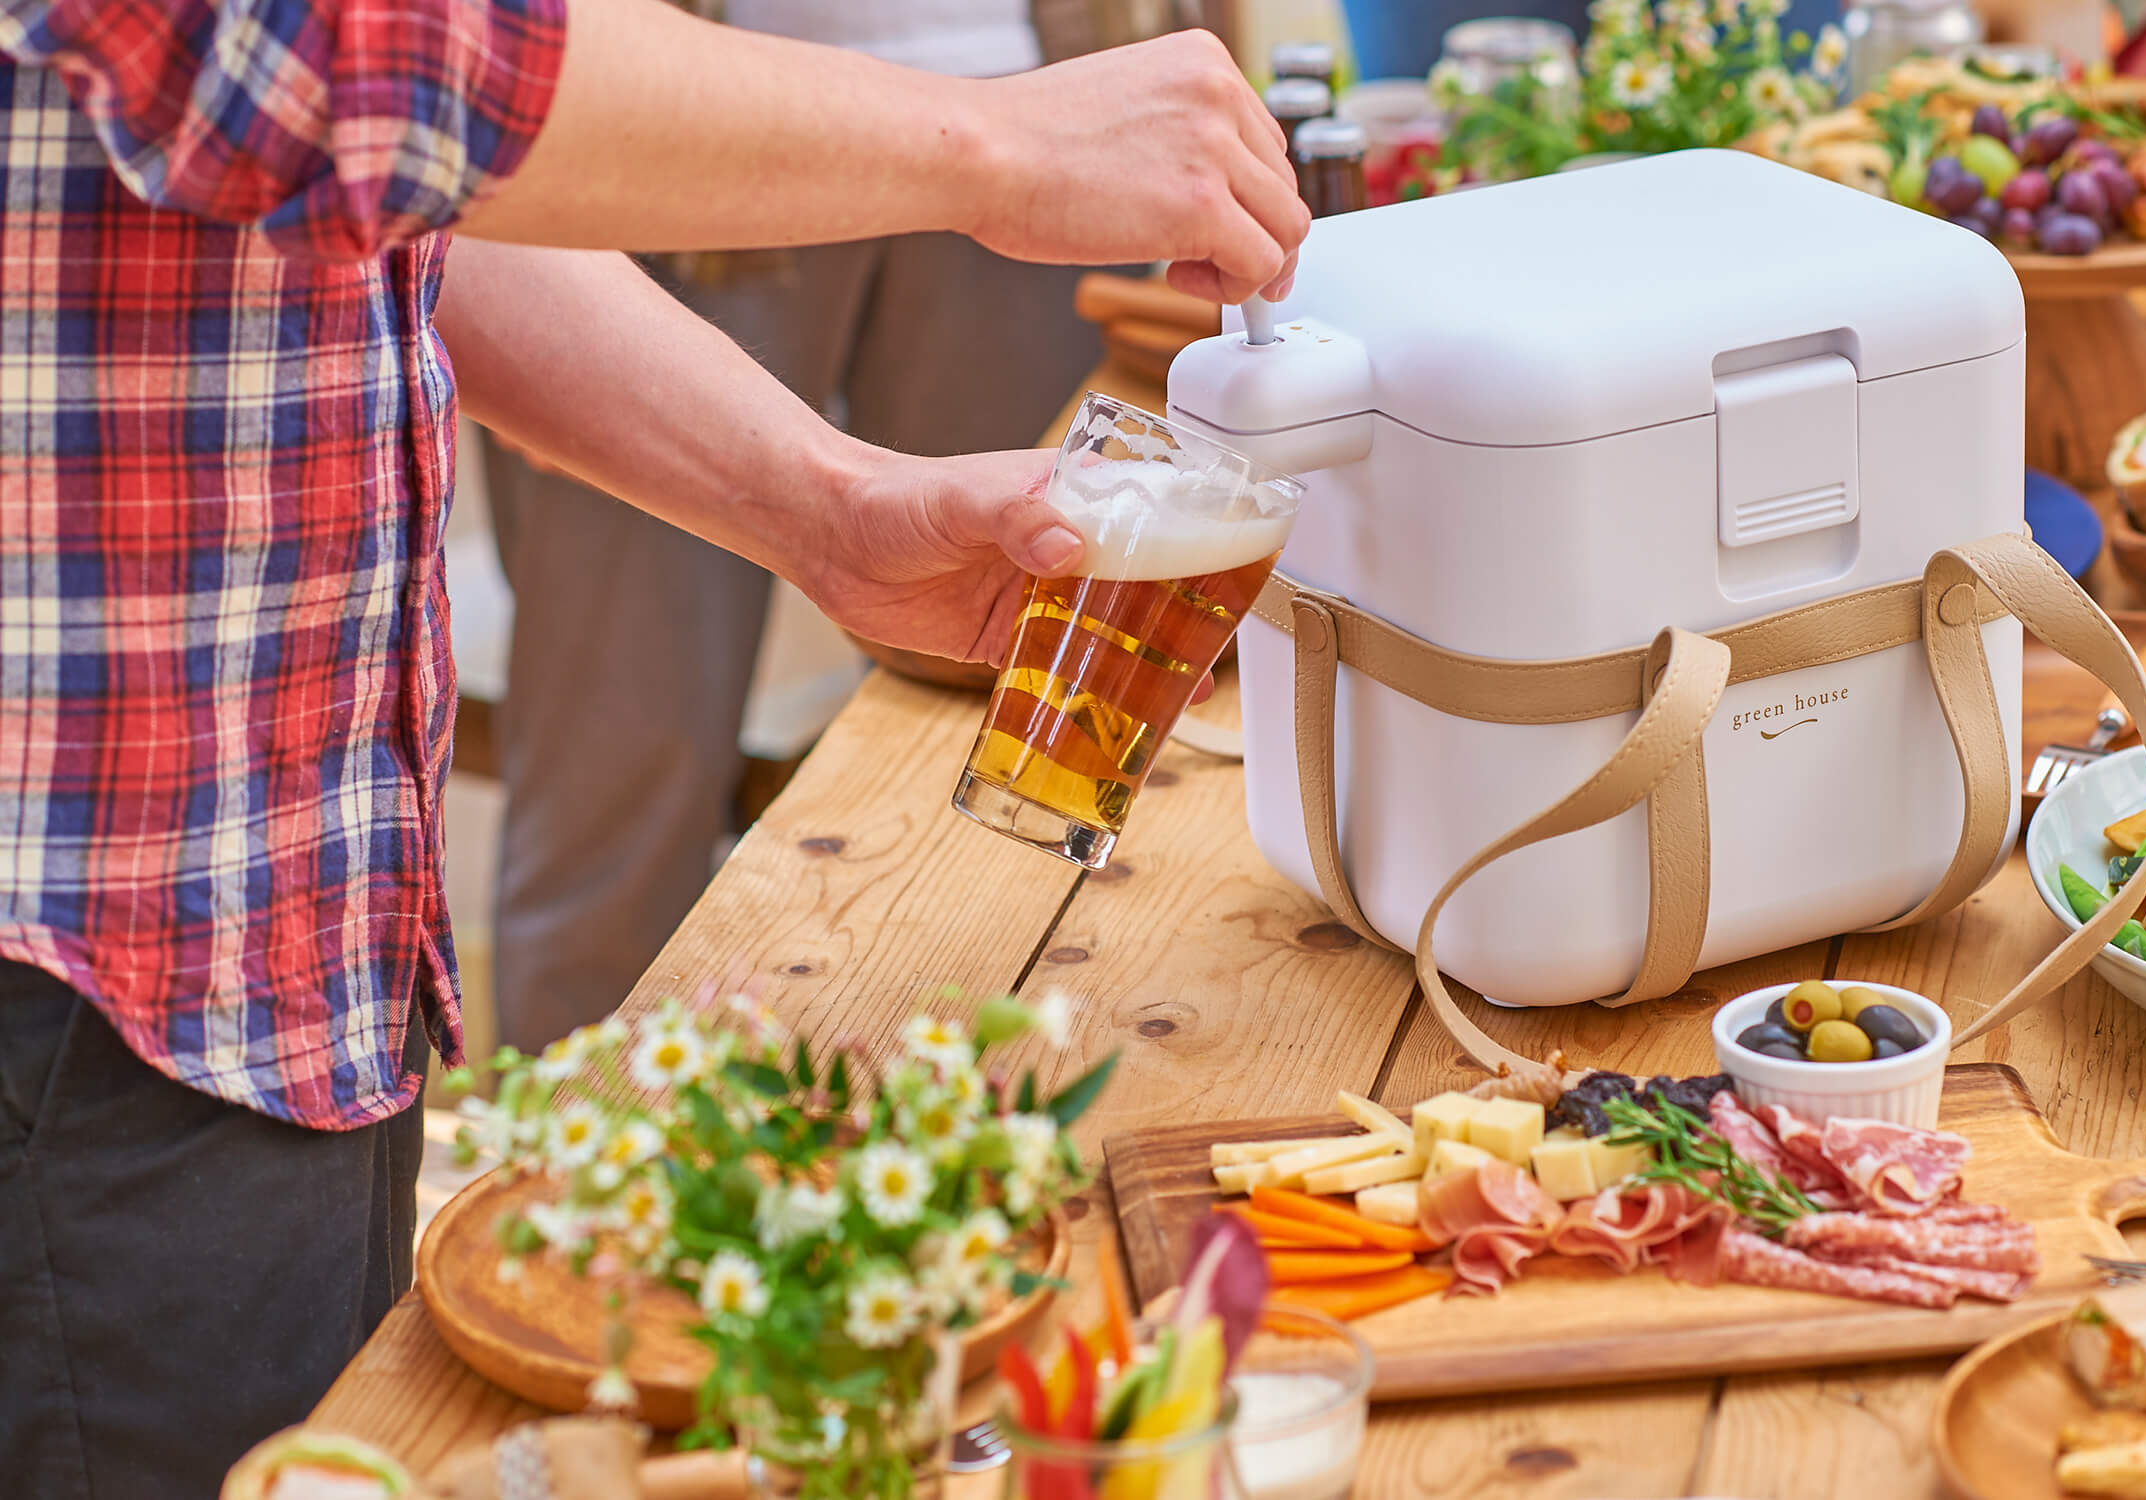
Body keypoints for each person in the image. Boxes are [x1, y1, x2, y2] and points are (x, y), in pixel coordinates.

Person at [0, 0, 1308, 1490]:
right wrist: (996, 137)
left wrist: (828, 511)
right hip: (86, 936)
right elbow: (333, 60)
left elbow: (398, 206)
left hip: (283, 931)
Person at [483, 0, 1105, 1057]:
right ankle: (564, 1143)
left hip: (1035, 81)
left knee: (1009, 743)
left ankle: (966, 1115)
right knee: (621, 769)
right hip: (655, 129)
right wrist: (520, 265)